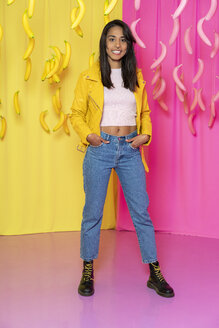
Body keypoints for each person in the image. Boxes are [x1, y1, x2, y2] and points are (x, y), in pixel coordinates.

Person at [69, 19, 174, 298]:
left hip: (129, 150)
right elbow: (75, 114)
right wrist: (88, 136)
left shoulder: (135, 77)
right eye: (112, 39)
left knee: (141, 212)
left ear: (129, 45)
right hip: (100, 149)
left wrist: (146, 136)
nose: (117, 45)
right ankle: (88, 269)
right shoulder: (88, 77)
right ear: (104, 43)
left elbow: (146, 114)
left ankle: (155, 272)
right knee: (92, 213)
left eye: (123, 40)